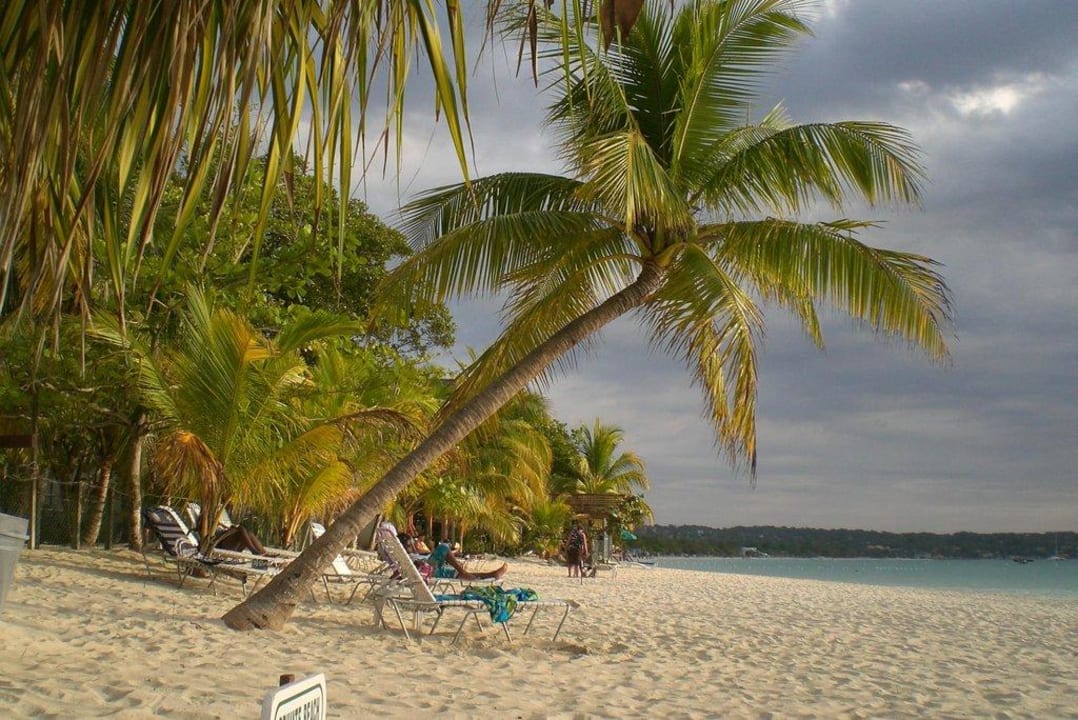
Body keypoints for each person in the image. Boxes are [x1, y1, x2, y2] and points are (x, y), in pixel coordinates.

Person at [430, 540, 508, 581]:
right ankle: (463, 572)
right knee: (443, 547)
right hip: (427, 571)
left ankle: (492, 574)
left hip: (428, 569)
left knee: (459, 574)